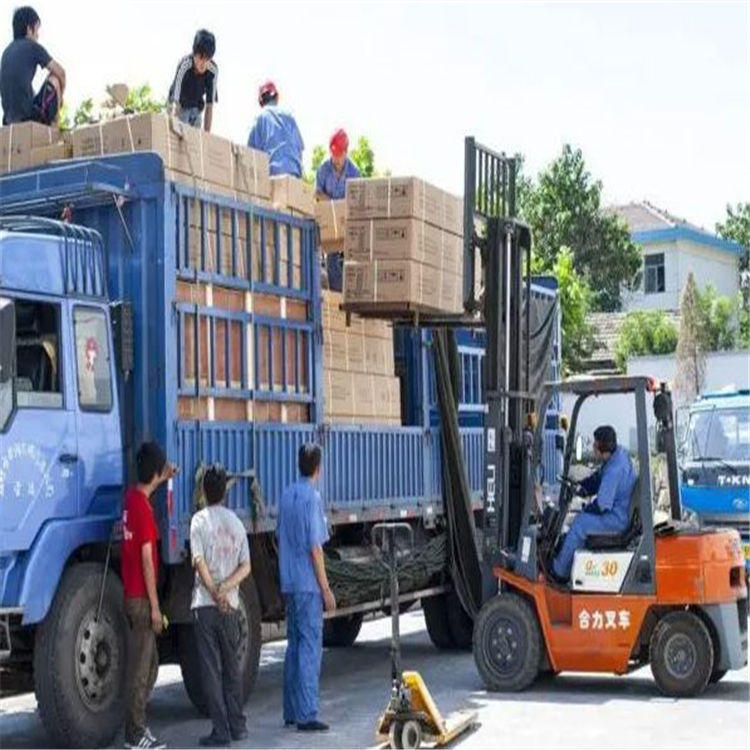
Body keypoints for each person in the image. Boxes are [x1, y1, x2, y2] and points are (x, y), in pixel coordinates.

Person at [122, 442, 177, 750]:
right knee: (141, 669)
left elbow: (148, 485)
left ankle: (137, 724)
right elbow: (147, 559)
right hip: (142, 599)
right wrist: (156, 607)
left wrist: (163, 475)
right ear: (155, 473)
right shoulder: (144, 511)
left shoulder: (131, 499)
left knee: (150, 662)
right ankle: (135, 733)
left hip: (129, 594)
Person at [190, 466, 251, 747]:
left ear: (203, 491)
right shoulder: (236, 523)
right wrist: (226, 589)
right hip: (231, 607)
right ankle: (238, 726)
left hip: (205, 605)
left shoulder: (198, 521)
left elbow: (199, 560)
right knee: (231, 668)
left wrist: (214, 590)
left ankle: (221, 731)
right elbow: (246, 567)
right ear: (225, 492)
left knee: (211, 671)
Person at [277, 443, 336, 732]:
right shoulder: (312, 498)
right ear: (318, 468)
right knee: (311, 647)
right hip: (308, 585)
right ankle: (307, 714)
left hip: (289, 581)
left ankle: (290, 710)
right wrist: (326, 590)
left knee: (295, 646)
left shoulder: (286, 495)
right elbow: (315, 548)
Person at [551, 426, 636, 582]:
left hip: (616, 520)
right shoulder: (618, 454)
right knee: (582, 517)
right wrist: (581, 488)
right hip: (620, 512)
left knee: (580, 523)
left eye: (595, 446)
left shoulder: (614, 470)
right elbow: (597, 479)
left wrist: (585, 510)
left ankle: (559, 572)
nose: (593, 448)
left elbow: (602, 505)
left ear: (602, 449)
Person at [0, 6, 66, 126]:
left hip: (7, 121)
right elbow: (61, 72)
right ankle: (55, 130)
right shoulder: (32, 46)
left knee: (30, 92)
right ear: (29, 29)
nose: (38, 35)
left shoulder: (6, 52)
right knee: (54, 78)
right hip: (28, 118)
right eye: (37, 30)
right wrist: (61, 100)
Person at [316, 128, 361, 291]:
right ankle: (337, 296)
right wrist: (333, 206)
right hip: (330, 225)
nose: (335, 159)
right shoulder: (323, 169)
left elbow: (357, 202)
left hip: (348, 224)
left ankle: (352, 293)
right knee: (331, 261)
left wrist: (342, 209)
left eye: (339, 155)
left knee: (352, 261)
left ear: (346, 152)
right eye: (333, 154)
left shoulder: (354, 173)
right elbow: (317, 194)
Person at [248, 81, 304, 177]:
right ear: (277, 97)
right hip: (294, 175)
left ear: (261, 101)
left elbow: (250, 154)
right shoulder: (289, 116)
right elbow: (300, 149)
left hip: (272, 174)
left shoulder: (260, 118)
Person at [168, 29, 217, 131]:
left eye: (207, 59)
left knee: (196, 134)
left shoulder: (213, 71)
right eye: (200, 58)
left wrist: (207, 136)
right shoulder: (185, 65)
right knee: (181, 126)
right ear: (194, 53)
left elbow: (209, 106)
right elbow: (175, 103)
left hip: (196, 108)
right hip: (179, 105)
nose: (203, 64)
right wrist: (175, 127)